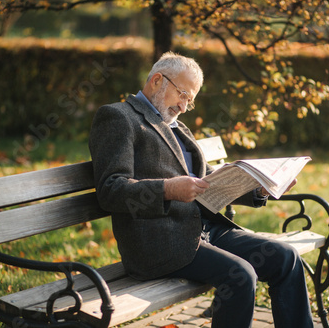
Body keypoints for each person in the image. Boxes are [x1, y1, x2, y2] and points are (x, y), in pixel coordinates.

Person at [89, 52, 313, 328]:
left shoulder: (177, 127)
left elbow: (205, 182)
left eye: (190, 100)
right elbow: (110, 190)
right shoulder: (119, 117)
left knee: (285, 257)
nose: (184, 106)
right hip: (160, 244)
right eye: (183, 94)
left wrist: (260, 188)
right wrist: (167, 190)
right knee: (241, 275)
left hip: (205, 230)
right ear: (157, 80)